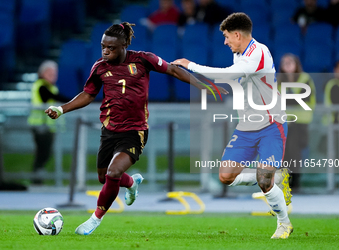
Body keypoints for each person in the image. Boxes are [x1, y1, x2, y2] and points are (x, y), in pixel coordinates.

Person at [45, 22, 227, 235]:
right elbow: (88, 94)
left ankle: (95, 219)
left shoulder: (142, 59)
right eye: (103, 46)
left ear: (123, 46)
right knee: (104, 178)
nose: (105, 51)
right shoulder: (99, 67)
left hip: (135, 131)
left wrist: (202, 86)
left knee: (113, 172)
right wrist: (61, 109)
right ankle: (131, 183)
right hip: (109, 130)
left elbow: (173, 69)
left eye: (110, 48)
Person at [172, 13, 293, 239]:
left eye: (227, 37)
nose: (225, 42)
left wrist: (192, 66)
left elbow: (229, 74)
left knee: (263, 180)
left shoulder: (259, 52)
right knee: (226, 176)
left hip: (271, 124)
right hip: (247, 125)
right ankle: (276, 177)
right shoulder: (240, 53)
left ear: (238, 35)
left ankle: (284, 223)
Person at [277, 53, 316, 193]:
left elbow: (303, 99)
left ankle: (296, 182)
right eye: (284, 62)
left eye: (290, 62)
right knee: (284, 153)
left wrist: (288, 99)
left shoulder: (305, 78)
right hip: (285, 122)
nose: (287, 64)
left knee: (296, 153)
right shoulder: (279, 81)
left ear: (296, 64)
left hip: (301, 122)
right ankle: (286, 182)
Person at [27, 60, 69, 185]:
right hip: (40, 127)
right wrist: (74, 102)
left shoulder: (51, 87)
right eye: (50, 72)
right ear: (43, 73)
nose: (53, 75)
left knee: (45, 154)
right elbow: (49, 97)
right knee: (42, 154)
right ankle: (36, 180)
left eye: (55, 73)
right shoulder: (41, 86)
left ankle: (37, 179)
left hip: (49, 127)